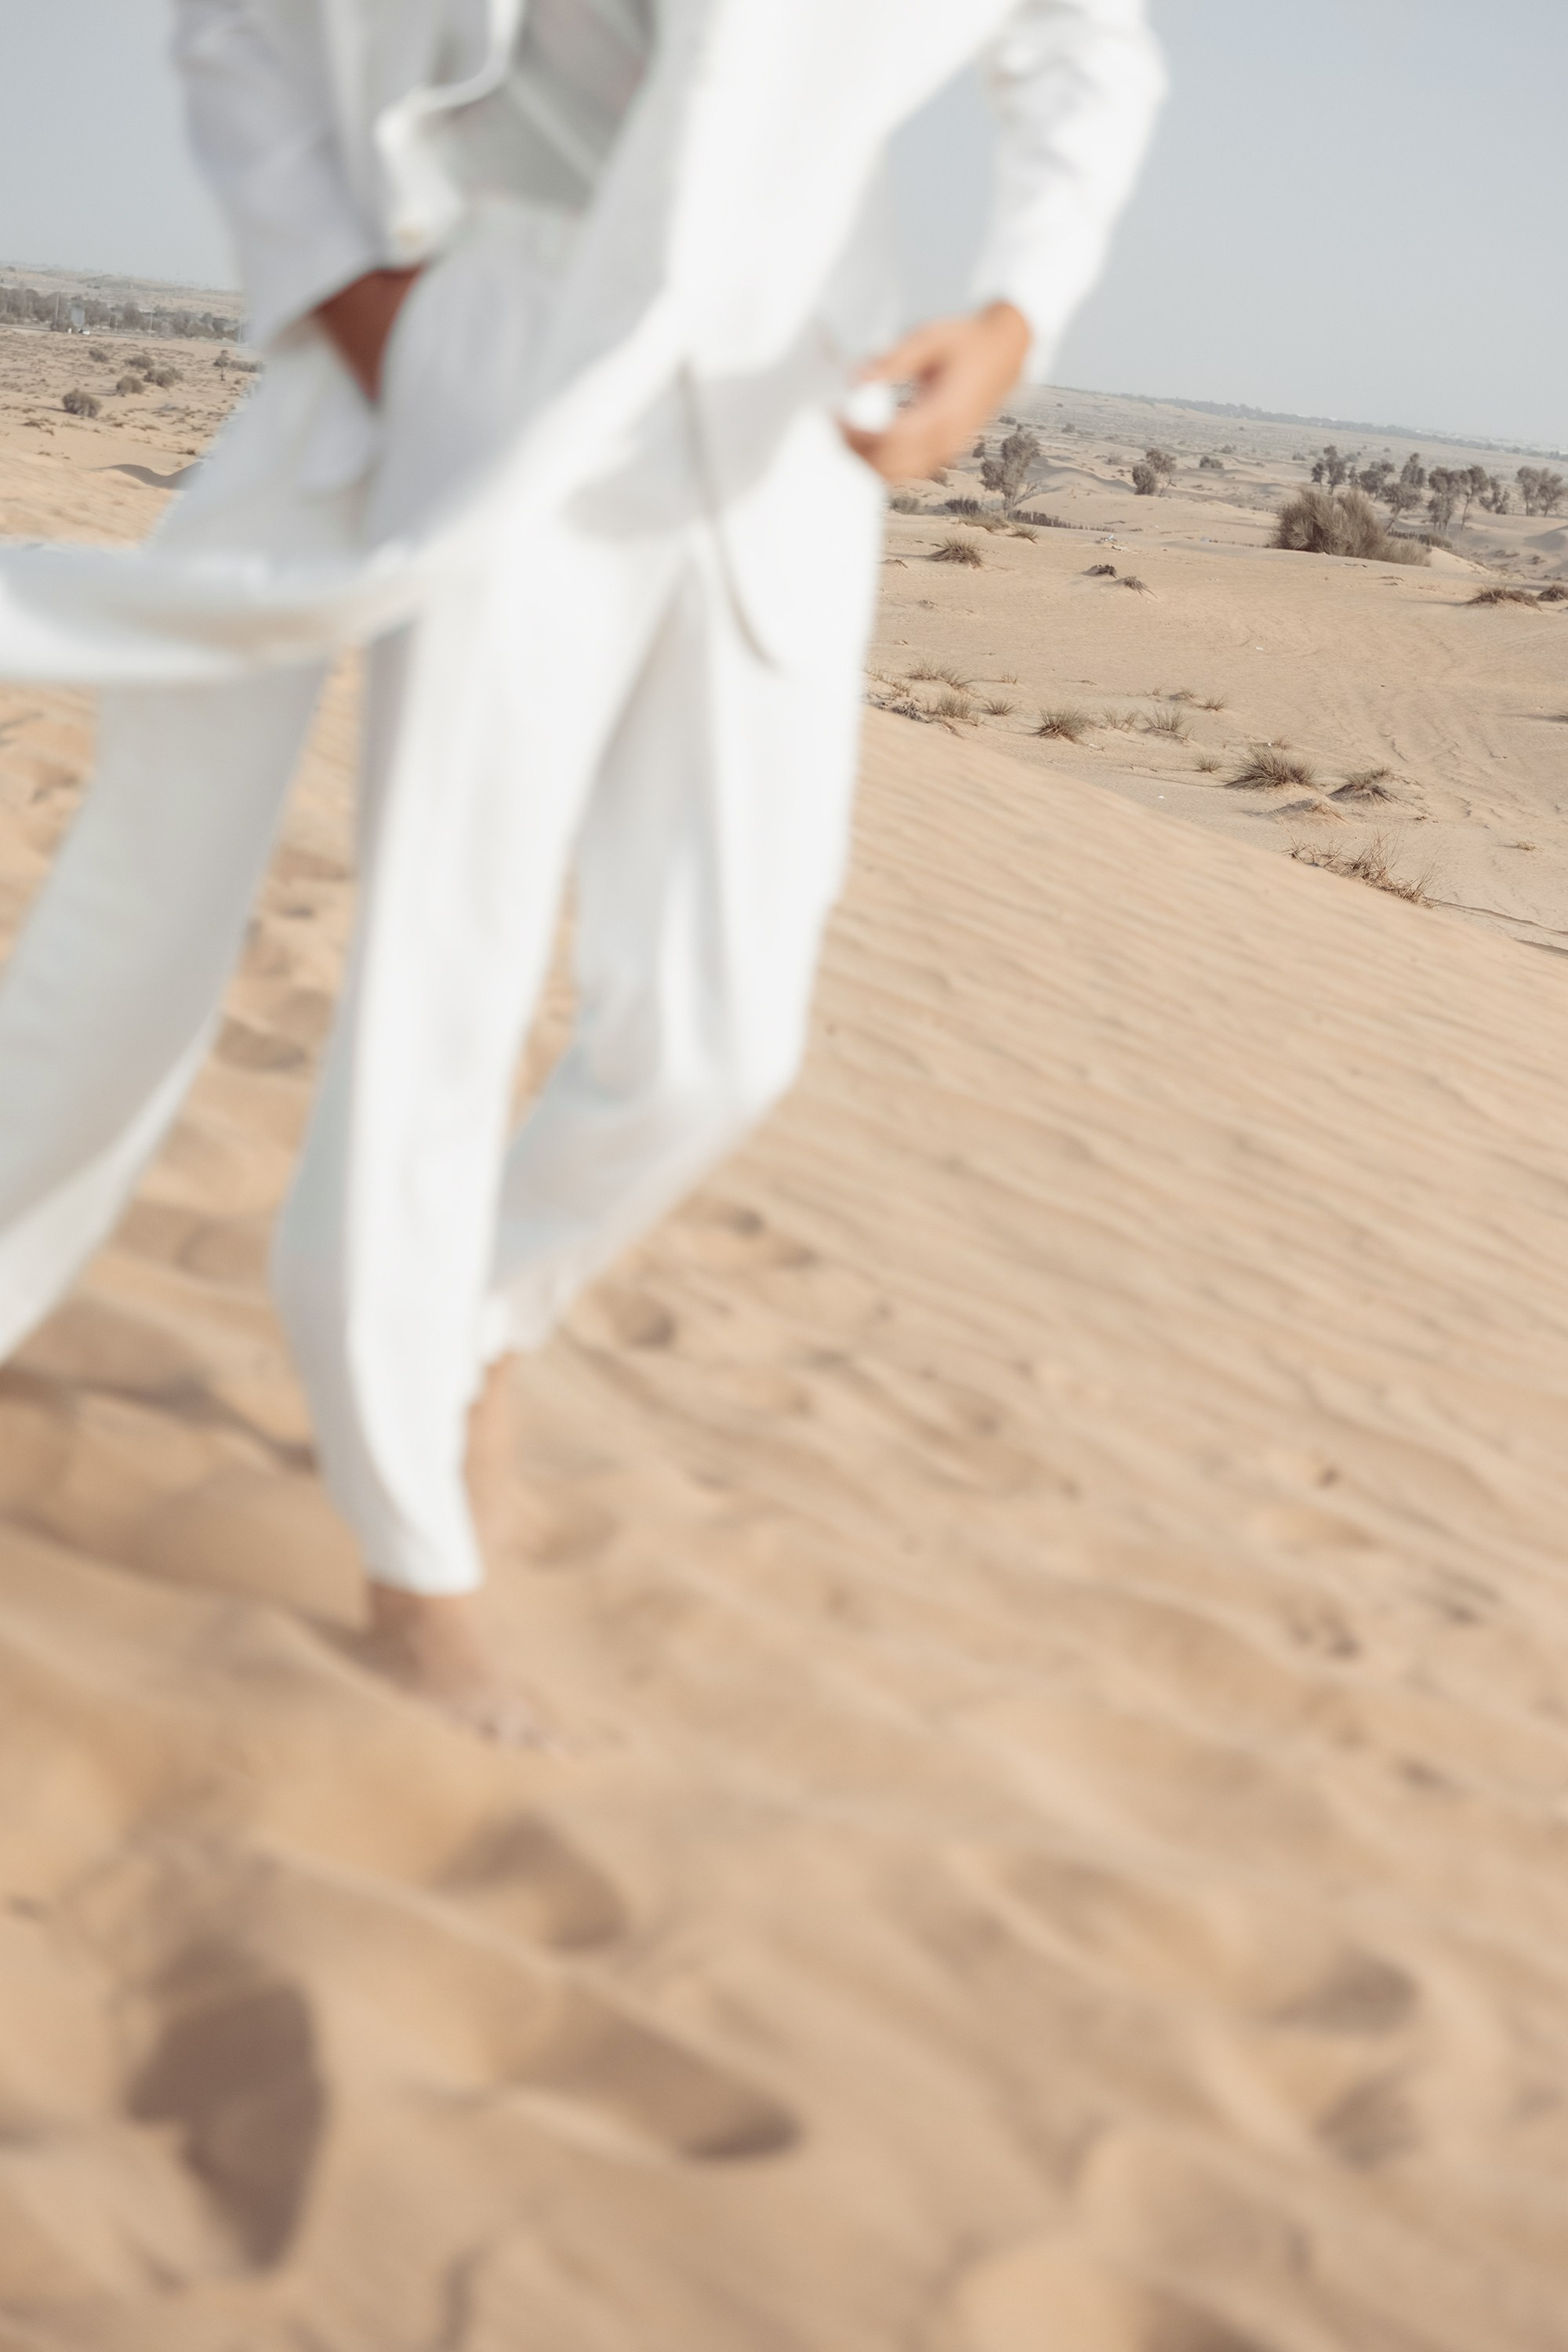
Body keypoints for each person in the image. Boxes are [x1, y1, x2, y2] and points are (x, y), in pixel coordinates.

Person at [0, 0, 1165, 1737]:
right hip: (494, 341)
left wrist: (1014, 314)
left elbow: (1090, 42)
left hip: (793, 405)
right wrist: (346, 291)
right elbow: (238, 27)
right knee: (438, 990)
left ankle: (471, 1320)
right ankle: (414, 1561)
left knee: (723, 1031)